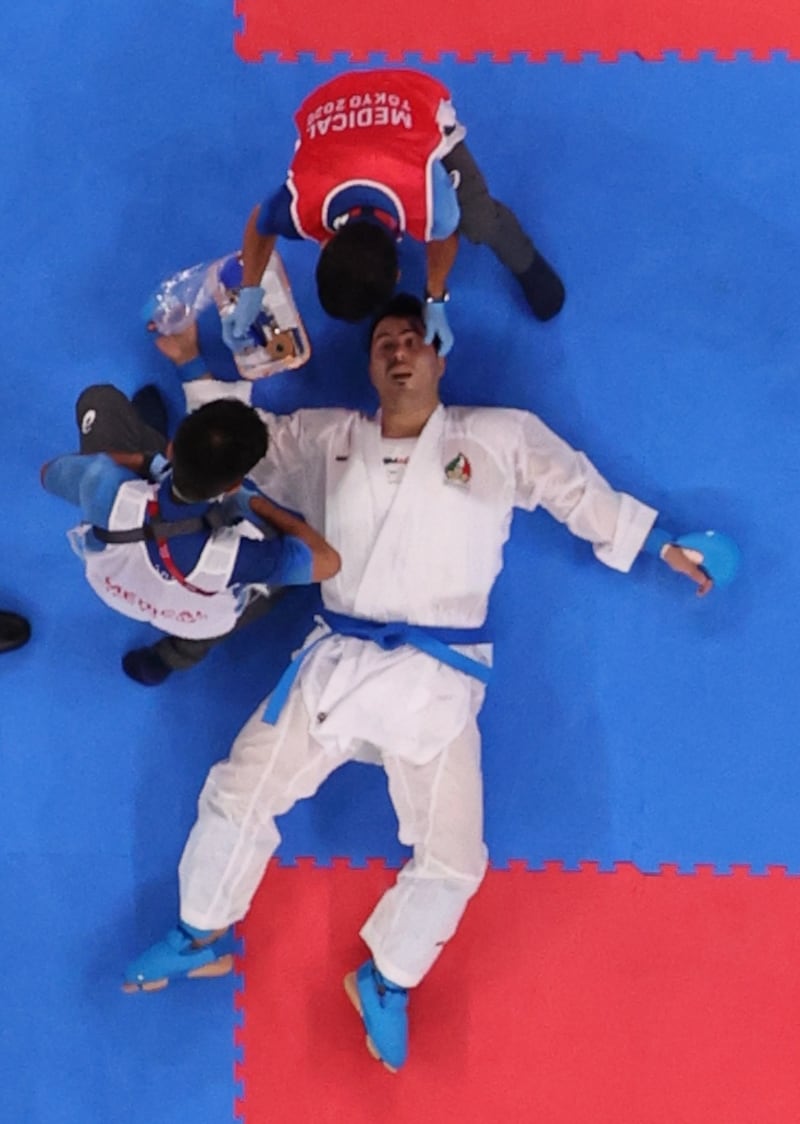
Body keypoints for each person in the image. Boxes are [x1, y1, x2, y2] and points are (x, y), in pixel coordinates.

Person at [123, 295, 737, 1072]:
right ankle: (200, 932)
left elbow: (575, 491)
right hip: (336, 664)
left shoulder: (499, 435)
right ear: (370, 365)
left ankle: (384, 979)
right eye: (384, 342)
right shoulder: (326, 438)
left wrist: (660, 544)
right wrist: (186, 359)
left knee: (454, 861)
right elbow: (240, 445)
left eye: (413, 339)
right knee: (237, 793)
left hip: (437, 679)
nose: (400, 350)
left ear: (440, 356)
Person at [223, 68, 565, 359]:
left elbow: (443, 235)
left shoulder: (433, 205)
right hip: (335, 99)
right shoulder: (298, 205)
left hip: (413, 96)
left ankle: (526, 259)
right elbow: (261, 221)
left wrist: (435, 297)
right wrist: (250, 288)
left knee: (478, 221)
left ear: (400, 273)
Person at [41, 385, 340, 685]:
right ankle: (170, 657)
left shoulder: (106, 482)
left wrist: (143, 463)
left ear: (172, 449)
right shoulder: (239, 558)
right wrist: (253, 503)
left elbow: (48, 473)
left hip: (113, 587)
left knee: (99, 400)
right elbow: (327, 562)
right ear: (235, 484)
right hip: (192, 617)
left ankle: (145, 435)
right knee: (270, 584)